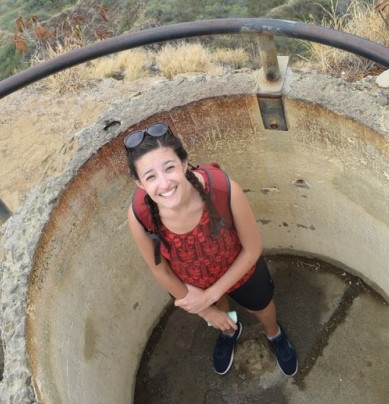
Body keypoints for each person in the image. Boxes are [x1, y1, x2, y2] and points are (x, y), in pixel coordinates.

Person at [125, 122, 298, 377]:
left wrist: (210, 295)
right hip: (195, 284)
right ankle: (229, 330)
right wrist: (206, 308)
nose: (164, 184)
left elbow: (252, 249)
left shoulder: (222, 189)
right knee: (221, 311)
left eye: (169, 168)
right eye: (150, 176)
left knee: (261, 306)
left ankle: (274, 333)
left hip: (241, 270)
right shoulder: (139, 215)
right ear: (139, 183)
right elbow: (160, 270)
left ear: (184, 163)